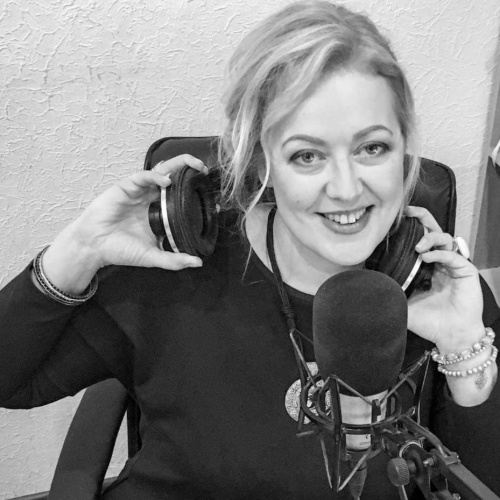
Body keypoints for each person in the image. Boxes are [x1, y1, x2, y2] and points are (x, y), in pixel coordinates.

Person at [1, 1, 499, 498]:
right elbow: (11, 382)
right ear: (261, 162)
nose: (347, 189)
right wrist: (80, 249)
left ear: (403, 148)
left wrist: (464, 348)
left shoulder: (439, 288)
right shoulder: (177, 266)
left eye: (372, 148)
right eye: (307, 155)